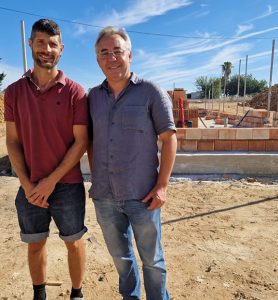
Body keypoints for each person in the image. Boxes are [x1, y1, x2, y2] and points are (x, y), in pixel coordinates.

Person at [88, 26, 177, 300]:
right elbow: (89, 141)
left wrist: (162, 185)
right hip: (104, 197)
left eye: (117, 51)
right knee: (121, 259)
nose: (111, 58)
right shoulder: (92, 97)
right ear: (98, 59)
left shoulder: (151, 92)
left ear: (130, 55)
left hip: (143, 195)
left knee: (152, 260)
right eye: (104, 52)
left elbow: (169, 138)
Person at [4, 19, 88, 300]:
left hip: (68, 186)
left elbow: (81, 142)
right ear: (30, 44)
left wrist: (51, 182)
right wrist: (28, 185)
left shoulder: (76, 92)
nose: (46, 49)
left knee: (74, 243)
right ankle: (39, 294)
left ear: (61, 49)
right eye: (40, 42)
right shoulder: (14, 92)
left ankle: (77, 293)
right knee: (35, 244)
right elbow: (12, 141)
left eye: (52, 44)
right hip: (30, 186)